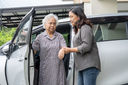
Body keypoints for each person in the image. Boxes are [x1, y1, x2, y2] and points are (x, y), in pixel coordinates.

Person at [63, 7, 101, 85]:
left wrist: (70, 50)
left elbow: (86, 46)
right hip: (82, 67)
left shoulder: (85, 28)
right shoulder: (79, 29)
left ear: (79, 17)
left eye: (71, 16)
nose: (70, 19)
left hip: (89, 66)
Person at [32, 14, 67, 85]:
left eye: (54, 23)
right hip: (45, 69)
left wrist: (62, 50)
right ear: (45, 24)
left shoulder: (59, 36)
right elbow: (33, 50)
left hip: (57, 68)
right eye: (50, 23)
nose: (52, 25)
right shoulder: (40, 37)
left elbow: (64, 48)